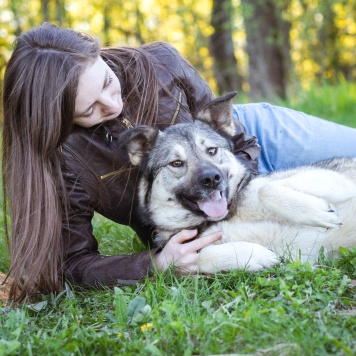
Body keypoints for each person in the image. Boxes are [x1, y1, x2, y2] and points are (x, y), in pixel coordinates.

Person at [2, 23, 356, 302]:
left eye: (108, 82)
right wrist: (157, 263)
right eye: (89, 109)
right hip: (197, 200)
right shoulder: (65, 161)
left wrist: (254, 195)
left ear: (98, 52)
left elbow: (241, 142)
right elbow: (74, 264)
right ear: (57, 119)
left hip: (246, 145)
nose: (113, 105)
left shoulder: (160, 61)